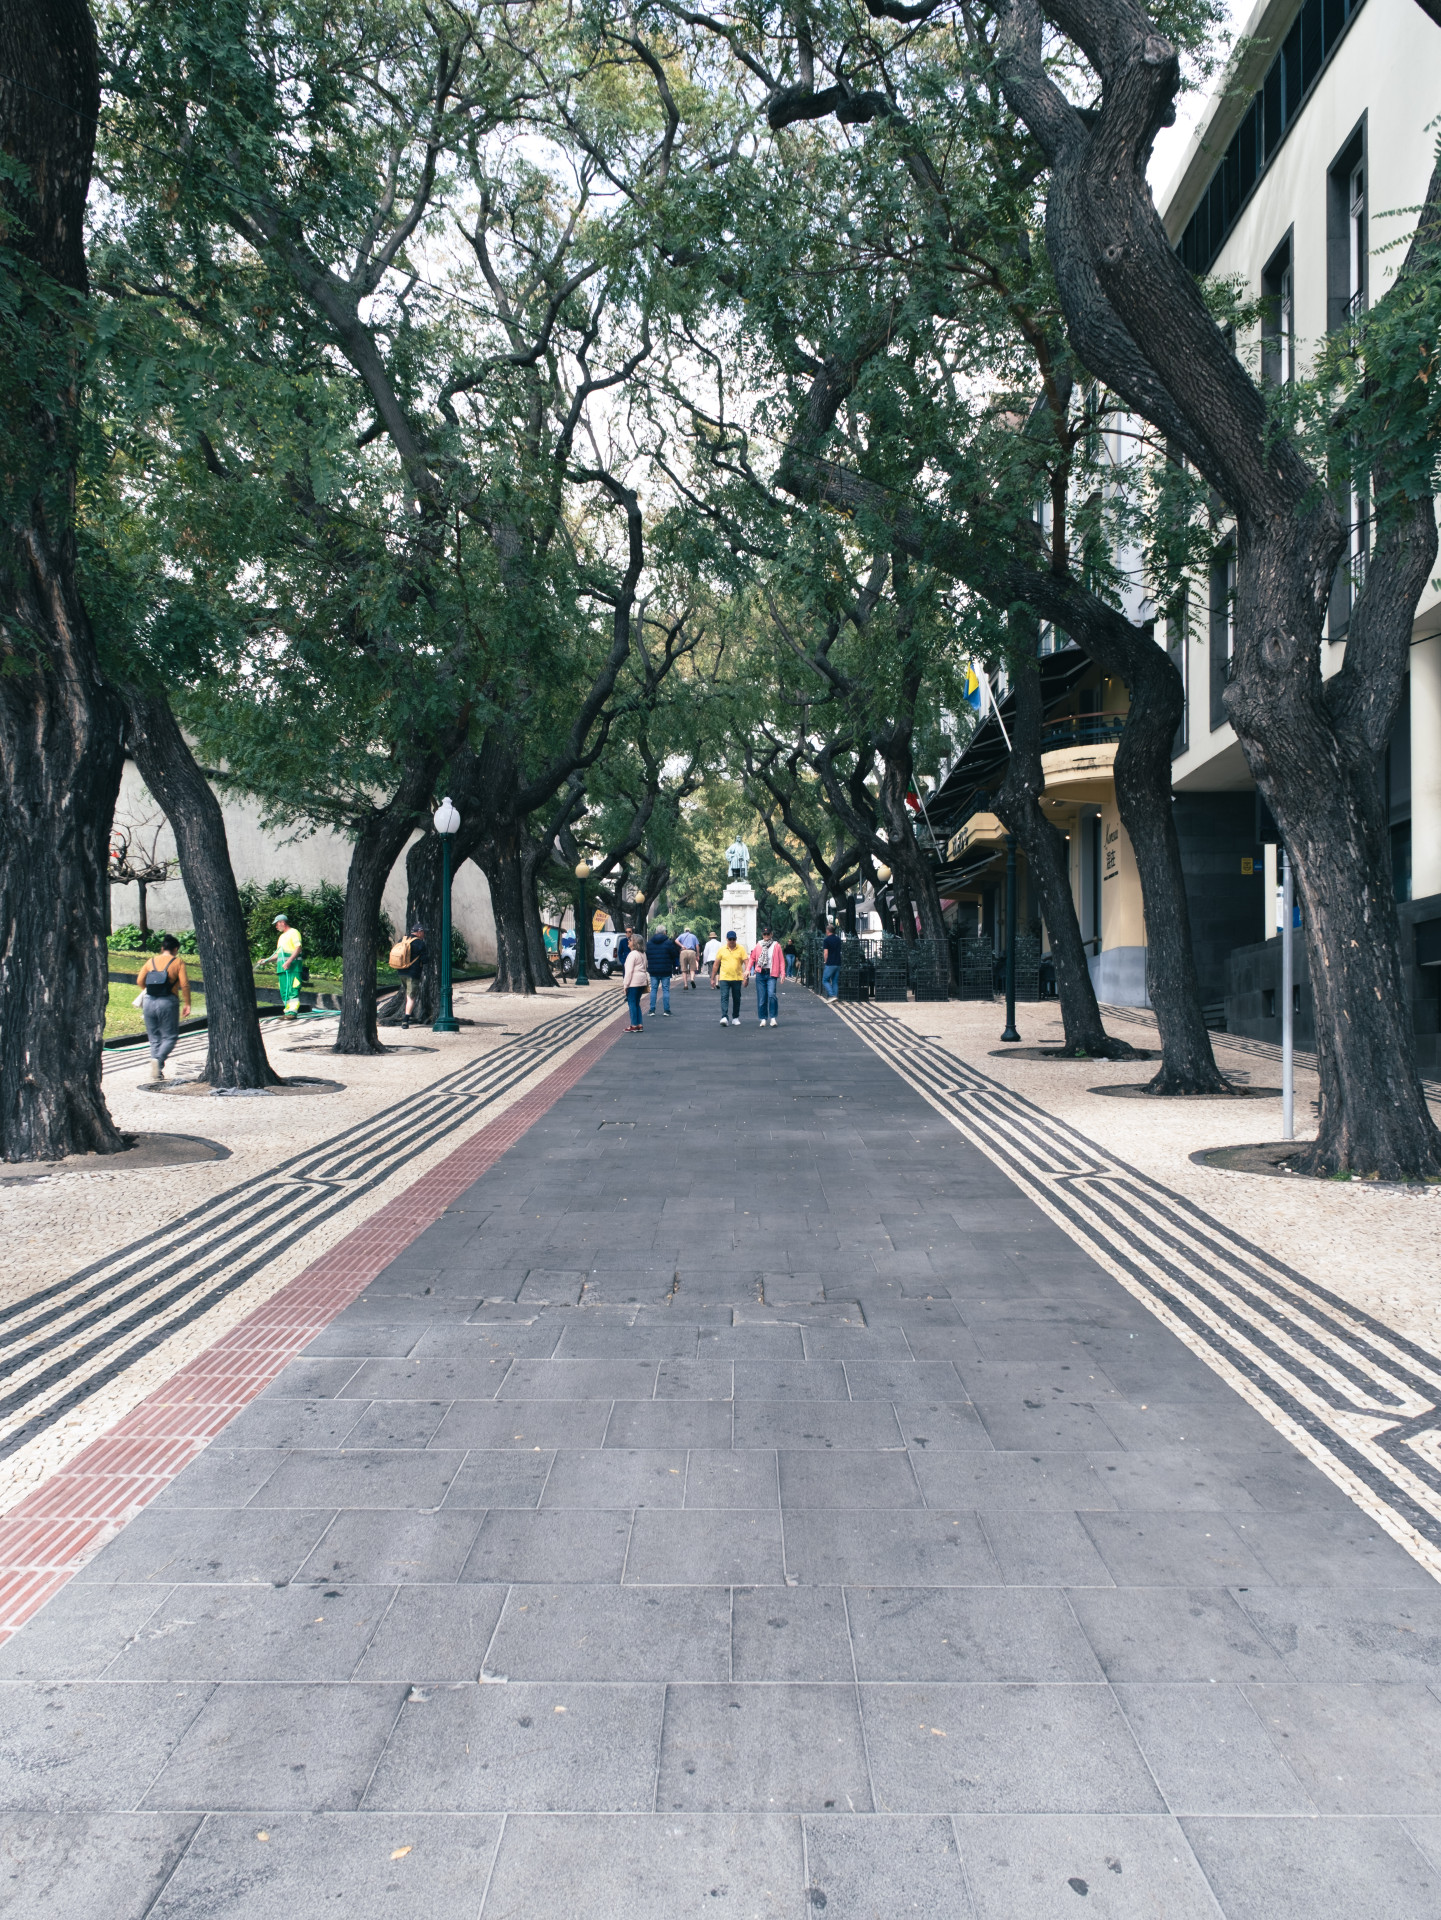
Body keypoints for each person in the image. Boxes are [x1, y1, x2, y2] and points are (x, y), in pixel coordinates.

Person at [135, 934, 192, 1082]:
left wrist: (150, 990)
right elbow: (184, 984)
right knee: (170, 1036)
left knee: (154, 1038)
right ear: (175, 949)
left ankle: (157, 1072)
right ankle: (158, 1060)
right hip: (168, 1001)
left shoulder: (151, 961)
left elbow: (140, 980)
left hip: (148, 1001)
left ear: (162, 948)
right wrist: (187, 1003)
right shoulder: (178, 962)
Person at [264, 913, 304, 1018]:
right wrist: (266, 960)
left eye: (277, 924)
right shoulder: (281, 937)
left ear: (282, 922)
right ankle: (287, 1012)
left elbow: (298, 948)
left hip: (293, 968)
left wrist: (289, 961)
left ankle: (292, 1012)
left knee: (292, 989)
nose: (276, 926)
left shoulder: (294, 932)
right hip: (282, 969)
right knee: (284, 991)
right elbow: (278, 954)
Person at [394, 922, 428, 1029]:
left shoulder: (402, 940)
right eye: (423, 932)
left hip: (401, 972)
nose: (424, 934)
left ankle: (408, 1013)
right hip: (413, 974)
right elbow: (425, 960)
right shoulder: (420, 944)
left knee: (408, 994)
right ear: (418, 932)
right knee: (411, 997)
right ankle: (405, 1020)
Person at [748, 927, 783, 1027]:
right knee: (762, 998)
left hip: (771, 974)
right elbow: (752, 958)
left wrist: (783, 974)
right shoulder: (758, 945)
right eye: (764, 934)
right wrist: (747, 970)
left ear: (771, 934)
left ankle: (773, 1018)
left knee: (772, 995)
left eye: (768, 934)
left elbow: (781, 960)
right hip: (760, 973)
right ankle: (763, 1018)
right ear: (762, 935)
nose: (766, 936)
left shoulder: (776, 945)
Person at [713, 927, 746, 1026]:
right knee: (724, 997)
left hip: (737, 977)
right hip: (724, 977)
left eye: (733, 939)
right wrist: (712, 978)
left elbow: (746, 961)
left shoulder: (741, 949)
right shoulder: (722, 949)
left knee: (736, 998)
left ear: (736, 939)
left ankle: (735, 1017)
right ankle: (724, 1017)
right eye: (730, 939)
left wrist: (747, 974)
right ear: (727, 939)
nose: (732, 941)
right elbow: (716, 964)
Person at [645, 923, 680, 1016]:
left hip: (653, 970)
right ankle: (666, 1010)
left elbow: (647, 955)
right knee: (665, 990)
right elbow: (674, 955)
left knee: (653, 990)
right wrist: (676, 965)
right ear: (664, 932)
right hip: (665, 969)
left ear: (656, 932)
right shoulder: (668, 943)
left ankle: (652, 1010)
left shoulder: (649, 943)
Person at [622, 931, 648, 1030]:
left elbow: (629, 971)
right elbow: (645, 966)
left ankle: (633, 1024)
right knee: (637, 1003)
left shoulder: (632, 954)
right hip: (641, 981)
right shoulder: (643, 954)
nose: (628, 941)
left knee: (632, 1003)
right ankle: (639, 1023)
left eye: (631, 940)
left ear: (635, 943)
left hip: (633, 982)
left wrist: (625, 985)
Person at [821, 922, 844, 1000]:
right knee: (835, 981)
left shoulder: (826, 940)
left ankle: (832, 995)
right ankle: (835, 996)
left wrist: (825, 961)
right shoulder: (838, 939)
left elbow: (826, 952)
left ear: (828, 931)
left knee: (825, 980)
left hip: (830, 963)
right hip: (838, 962)